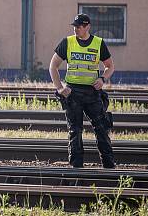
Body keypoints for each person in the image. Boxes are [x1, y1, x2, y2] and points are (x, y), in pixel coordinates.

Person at [49, 14, 115, 168]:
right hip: (73, 94)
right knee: (75, 131)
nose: (75, 29)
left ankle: (108, 165)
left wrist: (102, 78)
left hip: (92, 93)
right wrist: (59, 88)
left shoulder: (99, 43)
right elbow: (53, 66)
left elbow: (110, 65)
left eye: (79, 26)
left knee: (101, 129)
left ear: (87, 27)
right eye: (74, 26)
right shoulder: (67, 42)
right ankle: (76, 166)